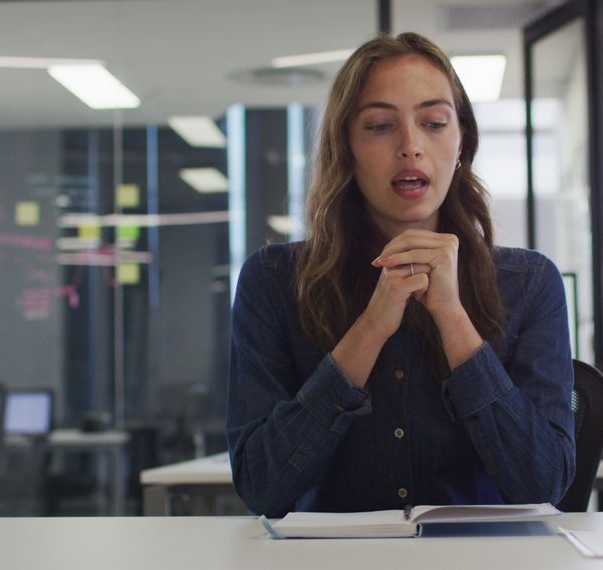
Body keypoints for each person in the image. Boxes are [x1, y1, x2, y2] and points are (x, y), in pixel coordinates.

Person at [226, 32, 575, 517]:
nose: (411, 146)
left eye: (433, 123)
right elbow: (263, 487)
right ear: (345, 146)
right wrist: (370, 328)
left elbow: (543, 485)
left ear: (461, 143)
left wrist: (452, 318)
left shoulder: (530, 282)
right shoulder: (273, 280)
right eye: (379, 126)